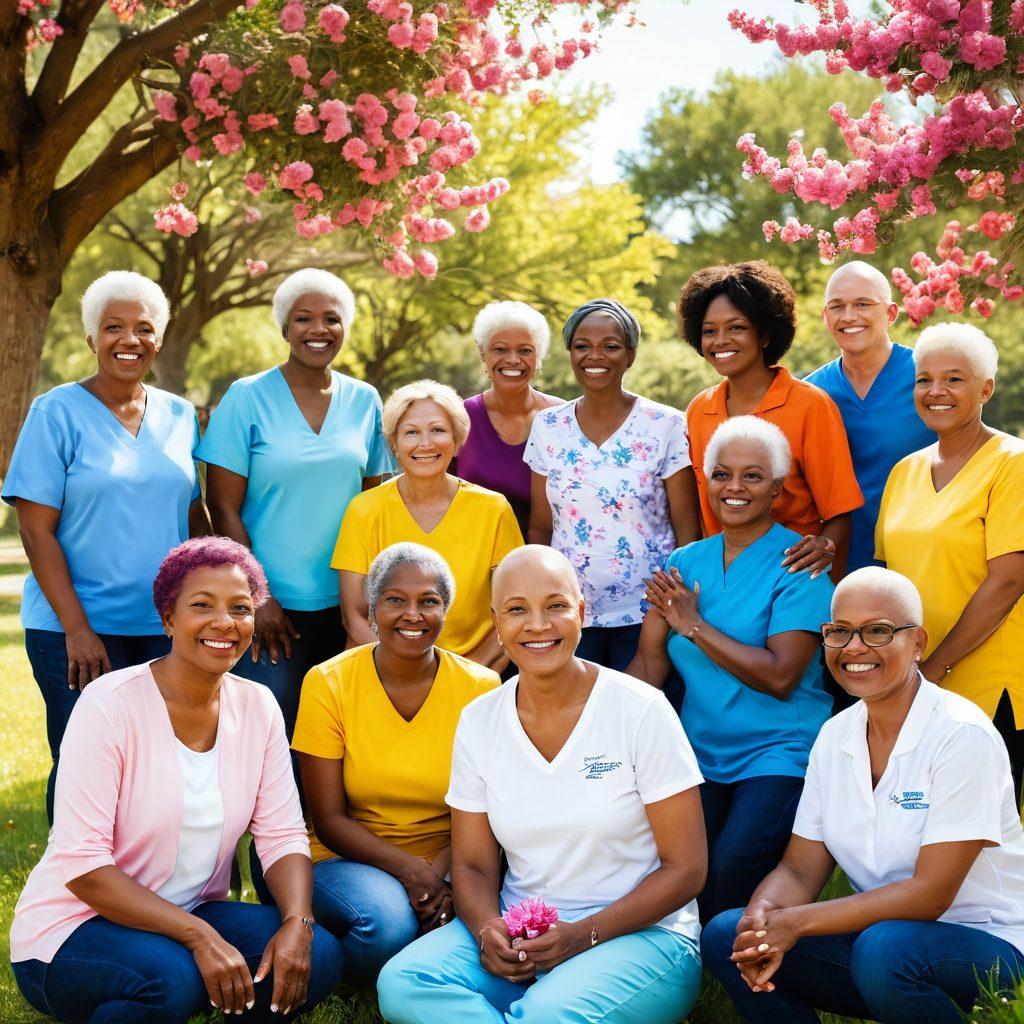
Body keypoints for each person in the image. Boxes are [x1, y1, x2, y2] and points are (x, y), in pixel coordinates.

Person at [9, 537, 343, 1023]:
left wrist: (297, 920)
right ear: (168, 619)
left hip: (188, 913)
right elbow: (82, 865)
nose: (224, 622)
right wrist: (199, 937)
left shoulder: (257, 706)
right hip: (74, 928)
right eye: (201, 606)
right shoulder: (109, 704)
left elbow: (282, 835)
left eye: (240, 608)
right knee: (171, 980)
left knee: (320, 954)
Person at [377, 546, 708, 1024]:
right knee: (404, 984)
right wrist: (488, 928)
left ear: (581, 611)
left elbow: (687, 869)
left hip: (645, 935)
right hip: (521, 931)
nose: (537, 625)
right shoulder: (479, 720)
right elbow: (471, 865)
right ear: (496, 622)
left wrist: (583, 935)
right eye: (517, 610)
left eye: (555, 605)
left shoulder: (641, 710)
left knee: (549, 1014)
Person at [702, 566, 1024, 1024]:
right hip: (884, 945)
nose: (855, 648)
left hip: (988, 947)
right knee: (726, 934)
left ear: (918, 643)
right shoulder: (835, 736)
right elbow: (799, 867)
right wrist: (764, 918)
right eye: (840, 632)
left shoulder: (960, 734)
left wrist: (796, 923)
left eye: (878, 631)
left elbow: (929, 895)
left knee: (885, 949)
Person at [1, 270, 206, 821]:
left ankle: (154, 894)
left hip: (166, 628)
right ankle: (72, 899)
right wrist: (78, 629)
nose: (129, 340)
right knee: (84, 769)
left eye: (143, 328)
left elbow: (192, 518)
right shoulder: (55, 412)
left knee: (164, 769)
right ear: (92, 338)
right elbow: (34, 529)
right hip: (76, 630)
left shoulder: (181, 416)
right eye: (113, 327)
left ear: (158, 339)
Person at [627, 416, 833, 923]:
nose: (734, 488)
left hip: (778, 751)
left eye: (752, 476)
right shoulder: (684, 560)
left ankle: (728, 967)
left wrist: (693, 625)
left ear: (777, 489)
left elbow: (781, 676)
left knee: (729, 865)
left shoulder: (799, 567)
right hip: (696, 752)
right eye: (721, 475)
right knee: (676, 869)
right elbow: (650, 662)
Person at [289, 543, 499, 983]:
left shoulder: (481, 686)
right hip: (348, 857)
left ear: (447, 610)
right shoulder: (328, 682)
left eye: (429, 601)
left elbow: (486, 809)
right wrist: (411, 873)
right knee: (386, 928)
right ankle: (327, 938)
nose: (412, 614)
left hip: (453, 856)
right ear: (371, 608)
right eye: (395, 600)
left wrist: (441, 878)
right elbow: (327, 819)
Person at [198, 268, 393, 736]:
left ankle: (323, 815)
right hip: (270, 607)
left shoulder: (365, 400)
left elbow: (376, 502)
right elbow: (221, 506)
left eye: (332, 319)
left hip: (347, 603)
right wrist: (257, 596)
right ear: (285, 329)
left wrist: (368, 602)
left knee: (336, 730)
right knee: (270, 730)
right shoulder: (246, 397)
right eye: (304, 319)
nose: (318, 330)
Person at [875, 322, 1024, 799]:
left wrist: (932, 669)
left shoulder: (1012, 463)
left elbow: (1008, 581)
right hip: (912, 688)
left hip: (984, 688)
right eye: (924, 379)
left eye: (954, 378)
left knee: (980, 847)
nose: (936, 391)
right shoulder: (905, 471)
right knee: (915, 835)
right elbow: (887, 580)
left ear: (986, 388)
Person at [526, 299, 700, 672]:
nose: (595, 356)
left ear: (630, 355)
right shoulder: (547, 427)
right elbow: (541, 526)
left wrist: (681, 605)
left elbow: (687, 528)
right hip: (568, 612)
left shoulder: (665, 424)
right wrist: (539, 600)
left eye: (611, 345)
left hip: (650, 613)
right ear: (570, 352)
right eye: (582, 346)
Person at [679, 261, 863, 580]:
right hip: (720, 583)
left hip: (790, 581)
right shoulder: (698, 410)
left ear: (764, 334)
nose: (720, 341)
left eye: (736, 327)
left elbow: (839, 515)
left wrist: (819, 578)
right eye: (709, 331)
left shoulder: (810, 404)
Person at [333, 380, 522, 672]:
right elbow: (354, 617)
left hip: (473, 670)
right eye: (411, 432)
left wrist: (466, 677)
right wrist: (405, 673)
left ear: (457, 440)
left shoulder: (494, 509)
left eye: (438, 430)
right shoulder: (364, 509)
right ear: (394, 444)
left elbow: (512, 610)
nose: (425, 443)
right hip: (384, 670)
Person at [805, 261, 935, 572]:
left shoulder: (930, 377)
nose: (849, 316)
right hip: (838, 565)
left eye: (863, 304)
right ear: (825, 317)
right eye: (837, 306)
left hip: (923, 554)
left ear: (891, 313)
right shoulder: (811, 392)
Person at [454, 301, 563, 536]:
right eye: (500, 349)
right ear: (483, 353)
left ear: (539, 356)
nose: (513, 360)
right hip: (473, 554)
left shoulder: (563, 418)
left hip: (549, 558)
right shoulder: (460, 417)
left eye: (525, 350)